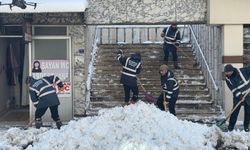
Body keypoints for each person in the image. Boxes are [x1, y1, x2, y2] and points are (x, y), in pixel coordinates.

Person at [224, 64, 250, 132]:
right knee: (234, 111)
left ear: (232, 71)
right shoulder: (227, 79)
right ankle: (230, 127)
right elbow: (233, 89)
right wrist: (240, 96)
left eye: (228, 72)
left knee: (248, 111)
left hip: (248, 93)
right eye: (226, 73)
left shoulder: (242, 71)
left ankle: (246, 126)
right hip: (238, 96)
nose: (227, 74)